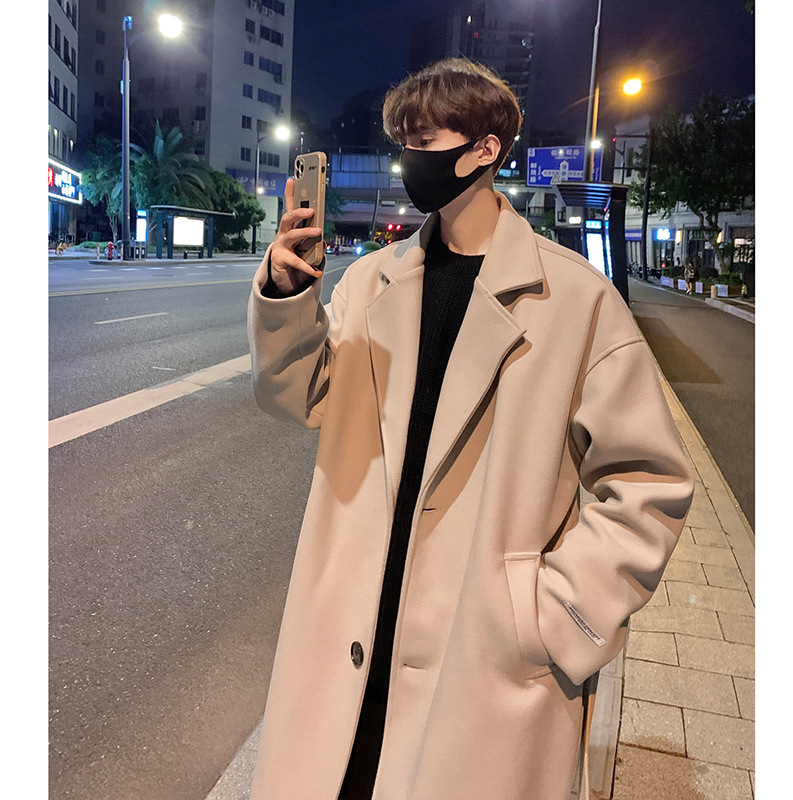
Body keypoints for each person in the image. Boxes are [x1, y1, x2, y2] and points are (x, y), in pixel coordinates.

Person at [246, 58, 694, 800]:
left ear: (486, 149)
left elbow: (649, 481)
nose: (409, 156)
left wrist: (554, 613)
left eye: (425, 138)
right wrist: (288, 297)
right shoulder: (370, 280)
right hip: (356, 622)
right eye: (403, 139)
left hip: (480, 654)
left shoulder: (575, 299)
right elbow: (298, 396)